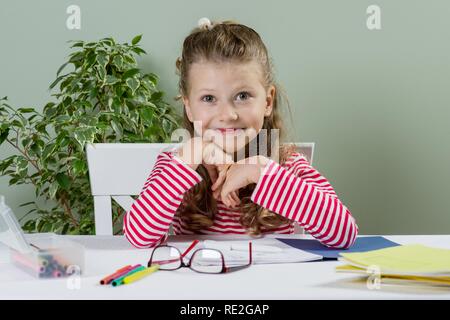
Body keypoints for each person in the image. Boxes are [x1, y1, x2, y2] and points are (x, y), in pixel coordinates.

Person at [123, 18, 358, 249]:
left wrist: (260, 170)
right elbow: (140, 237)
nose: (228, 114)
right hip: (199, 285)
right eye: (209, 98)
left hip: (271, 287)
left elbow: (344, 234)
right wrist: (190, 154)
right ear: (188, 106)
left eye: (243, 96)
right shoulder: (178, 165)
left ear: (267, 101)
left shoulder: (288, 164)